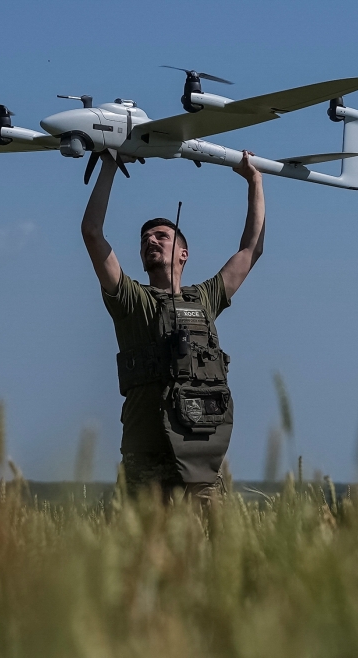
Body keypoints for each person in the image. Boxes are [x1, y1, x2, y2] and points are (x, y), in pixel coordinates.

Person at [81, 152, 265, 501]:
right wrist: (109, 163)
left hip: (200, 458)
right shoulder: (132, 300)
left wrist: (254, 180)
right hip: (146, 459)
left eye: (161, 236)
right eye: (144, 239)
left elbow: (251, 250)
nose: (150, 241)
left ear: (184, 253)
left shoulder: (205, 299)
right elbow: (92, 233)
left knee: (214, 537)